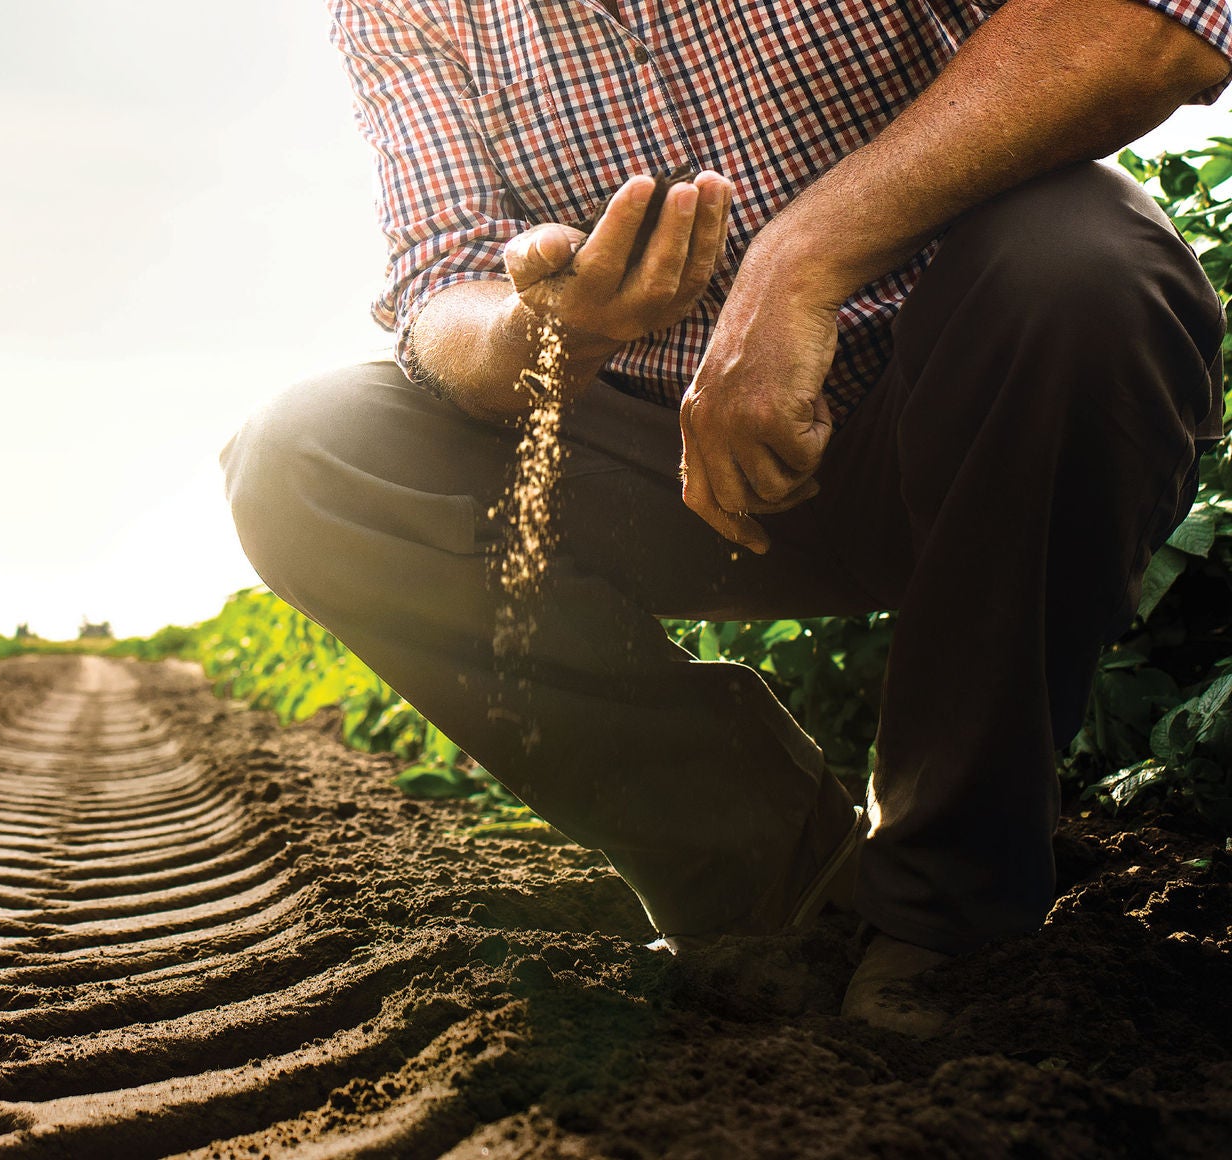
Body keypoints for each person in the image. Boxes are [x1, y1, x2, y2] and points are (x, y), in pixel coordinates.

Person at [222, 0, 1231, 1033]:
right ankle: (775, 879)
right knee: (309, 456)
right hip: (677, 477)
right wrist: (545, 329)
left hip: (989, 400)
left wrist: (799, 259)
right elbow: (443, 278)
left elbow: (1150, 27)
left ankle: (949, 910)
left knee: (1082, 264)